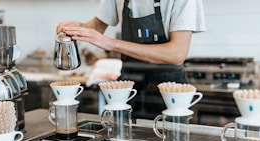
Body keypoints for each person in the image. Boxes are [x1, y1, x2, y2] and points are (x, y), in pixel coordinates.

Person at [57, 0, 206, 118]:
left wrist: (111, 44)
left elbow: (176, 54)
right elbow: (98, 25)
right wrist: (79, 28)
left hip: (169, 93)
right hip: (128, 89)